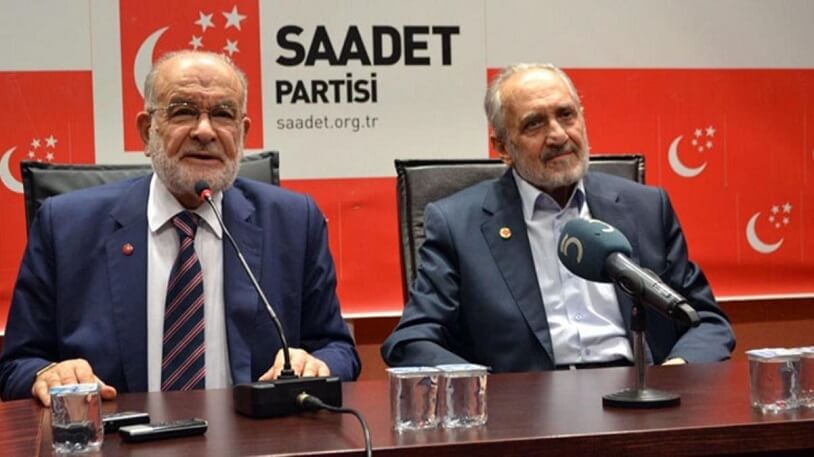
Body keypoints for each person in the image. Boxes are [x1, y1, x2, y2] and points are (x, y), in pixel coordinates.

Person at [0, 50, 360, 405]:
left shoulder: (294, 222)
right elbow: (17, 365)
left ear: (242, 133)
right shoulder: (66, 226)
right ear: (147, 131)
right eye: (184, 111)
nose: (204, 131)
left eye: (223, 114)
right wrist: (50, 374)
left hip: (254, 436)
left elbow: (339, 350)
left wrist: (314, 364)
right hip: (115, 436)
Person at [381, 63, 734, 372]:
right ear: (502, 147)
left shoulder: (646, 208)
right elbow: (413, 340)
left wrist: (675, 372)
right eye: (534, 124)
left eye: (566, 115)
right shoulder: (458, 224)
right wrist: (481, 391)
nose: (558, 135)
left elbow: (704, 321)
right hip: (524, 410)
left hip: (640, 396)